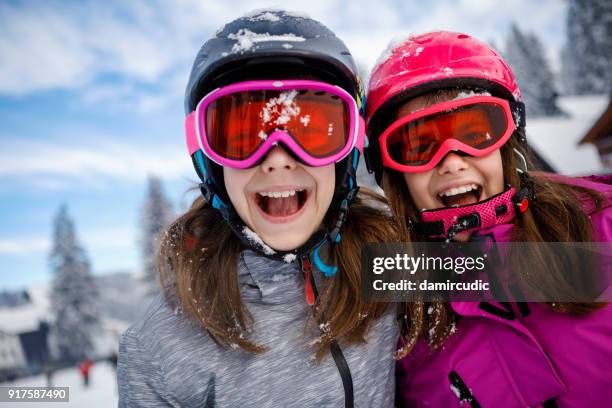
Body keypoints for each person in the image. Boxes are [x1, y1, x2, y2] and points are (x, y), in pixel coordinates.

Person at [117, 9, 399, 407]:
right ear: (212, 165)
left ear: (345, 156)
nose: (278, 158)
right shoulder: (162, 344)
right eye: (242, 135)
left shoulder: (389, 265)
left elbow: (514, 278)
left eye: (312, 130)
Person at [365, 31, 612, 407]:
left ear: (509, 140)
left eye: (475, 132)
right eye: (420, 144)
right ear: (394, 173)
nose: (451, 160)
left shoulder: (599, 229)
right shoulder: (395, 295)